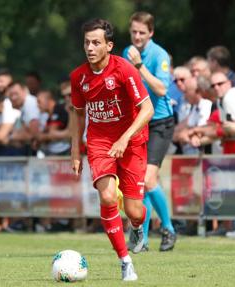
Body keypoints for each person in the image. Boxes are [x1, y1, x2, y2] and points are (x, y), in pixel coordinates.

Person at [70, 18, 154, 281]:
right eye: (87, 42)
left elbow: (147, 109)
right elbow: (78, 115)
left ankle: (138, 227)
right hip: (99, 142)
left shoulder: (124, 70)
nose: (90, 47)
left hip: (132, 142)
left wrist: (125, 139)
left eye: (96, 43)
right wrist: (75, 150)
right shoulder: (78, 77)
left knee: (134, 211)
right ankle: (125, 261)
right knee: (107, 197)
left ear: (109, 46)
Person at [122, 11, 177, 252]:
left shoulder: (159, 54)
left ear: (151, 33)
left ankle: (169, 229)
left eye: (142, 33)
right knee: (138, 183)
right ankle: (141, 238)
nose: (137, 37)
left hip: (160, 122)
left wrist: (140, 66)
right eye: (133, 32)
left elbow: (162, 89)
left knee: (147, 179)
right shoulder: (127, 52)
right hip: (138, 123)